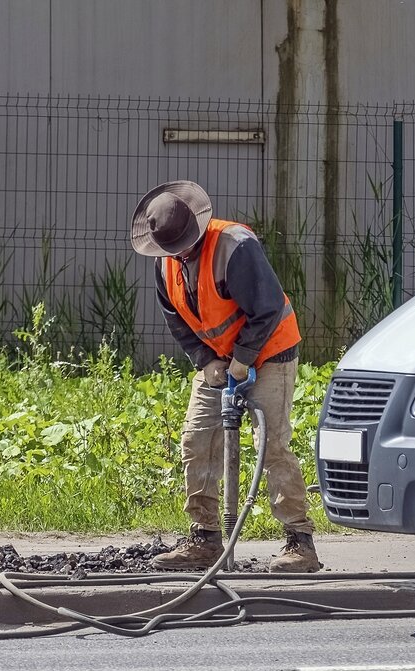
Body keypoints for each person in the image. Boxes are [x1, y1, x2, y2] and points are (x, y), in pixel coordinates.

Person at [129, 180, 321, 572]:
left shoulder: (235, 246)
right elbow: (177, 321)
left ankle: (300, 543)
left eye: (182, 245)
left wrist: (243, 358)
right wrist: (205, 360)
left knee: (271, 445)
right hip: (218, 359)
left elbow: (267, 308)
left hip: (269, 351)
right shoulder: (165, 262)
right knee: (196, 440)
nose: (178, 253)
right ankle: (205, 538)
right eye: (171, 248)